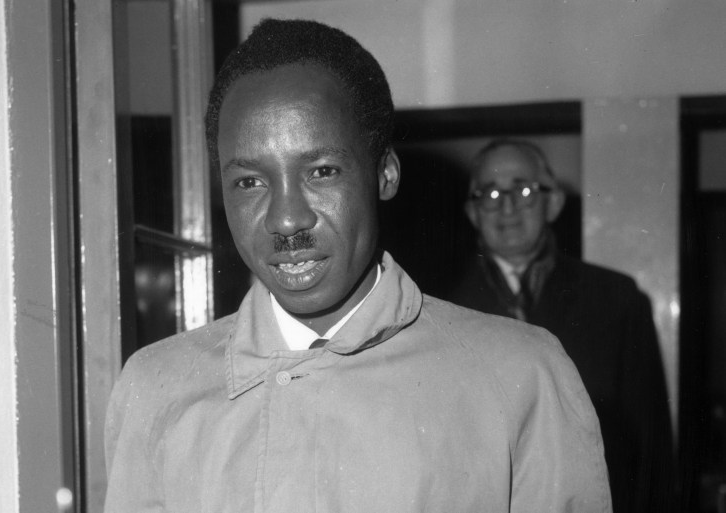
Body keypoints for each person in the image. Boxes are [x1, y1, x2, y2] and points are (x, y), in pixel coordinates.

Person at [104, 19, 612, 512]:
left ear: (385, 173)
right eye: (249, 182)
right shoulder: (155, 388)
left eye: (322, 171)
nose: (286, 219)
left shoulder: (523, 376)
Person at [449, 139, 674, 513]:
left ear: (553, 203)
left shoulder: (617, 301)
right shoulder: (436, 307)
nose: (506, 206)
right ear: (472, 212)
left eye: (523, 190)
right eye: (489, 192)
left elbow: (650, 448)